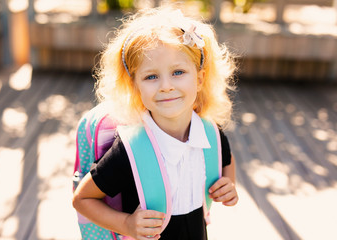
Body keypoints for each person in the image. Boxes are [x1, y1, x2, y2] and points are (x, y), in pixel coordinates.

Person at [73, 5, 238, 240]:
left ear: (200, 79)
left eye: (178, 72)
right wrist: (127, 224)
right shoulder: (130, 149)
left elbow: (227, 160)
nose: (166, 86)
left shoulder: (210, 133)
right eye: (151, 76)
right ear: (135, 87)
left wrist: (228, 185)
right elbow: (83, 198)